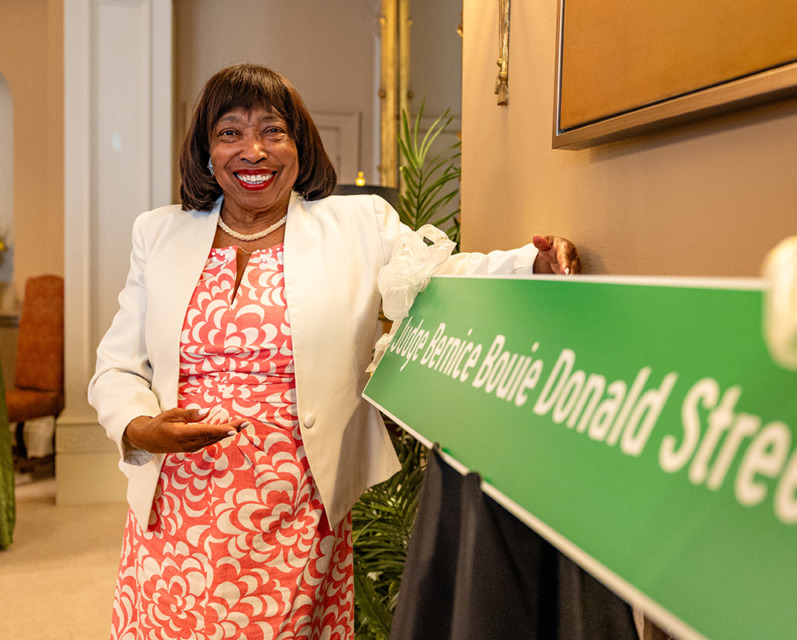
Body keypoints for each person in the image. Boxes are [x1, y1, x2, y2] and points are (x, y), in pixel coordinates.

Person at [88, 62, 580, 639]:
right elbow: (117, 365)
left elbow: (442, 277)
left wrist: (530, 262)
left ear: (301, 145)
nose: (254, 151)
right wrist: (141, 427)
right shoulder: (159, 233)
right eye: (230, 132)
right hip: (176, 507)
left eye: (273, 130)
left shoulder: (357, 224)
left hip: (297, 510)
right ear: (204, 148)